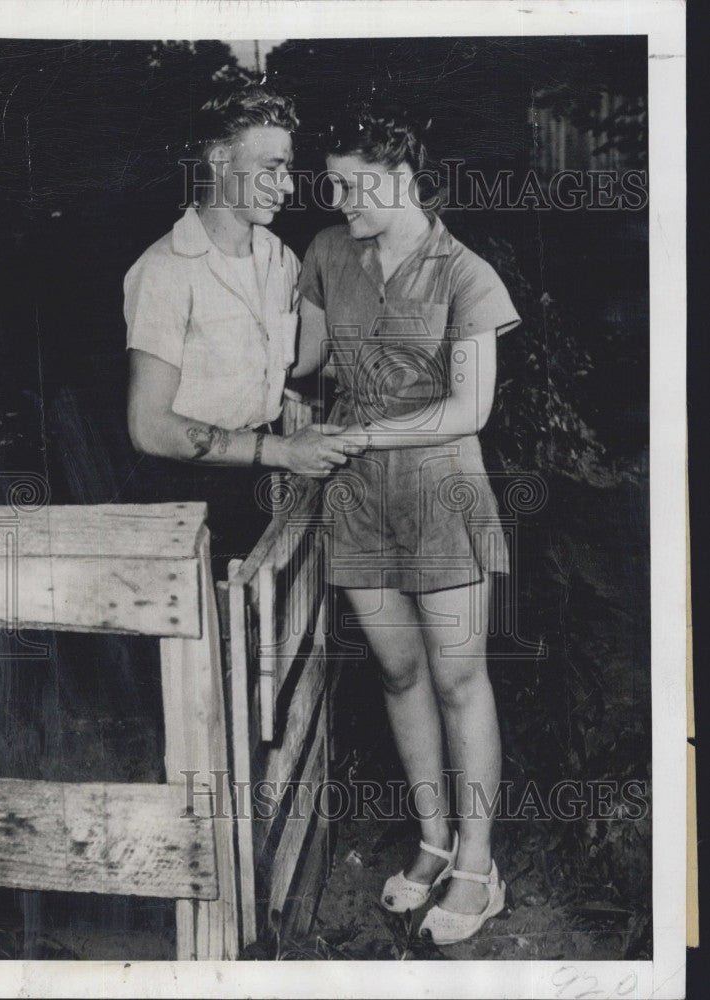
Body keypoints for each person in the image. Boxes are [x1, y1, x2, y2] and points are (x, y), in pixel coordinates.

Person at [292, 102, 522, 946]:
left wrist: (359, 431)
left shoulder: (466, 275)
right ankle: (431, 842)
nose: (337, 199)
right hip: (356, 498)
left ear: (400, 180)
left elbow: (470, 409)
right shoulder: (325, 253)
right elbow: (306, 362)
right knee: (396, 673)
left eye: (353, 186)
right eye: (332, 183)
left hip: (440, 495)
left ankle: (477, 864)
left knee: (460, 679)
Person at [125, 84, 361, 573]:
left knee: (265, 638)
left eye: (288, 168)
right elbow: (148, 427)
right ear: (219, 161)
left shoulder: (280, 259)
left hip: (256, 484)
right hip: (184, 503)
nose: (289, 185)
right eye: (271, 168)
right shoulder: (167, 269)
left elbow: (294, 362)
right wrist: (284, 451)